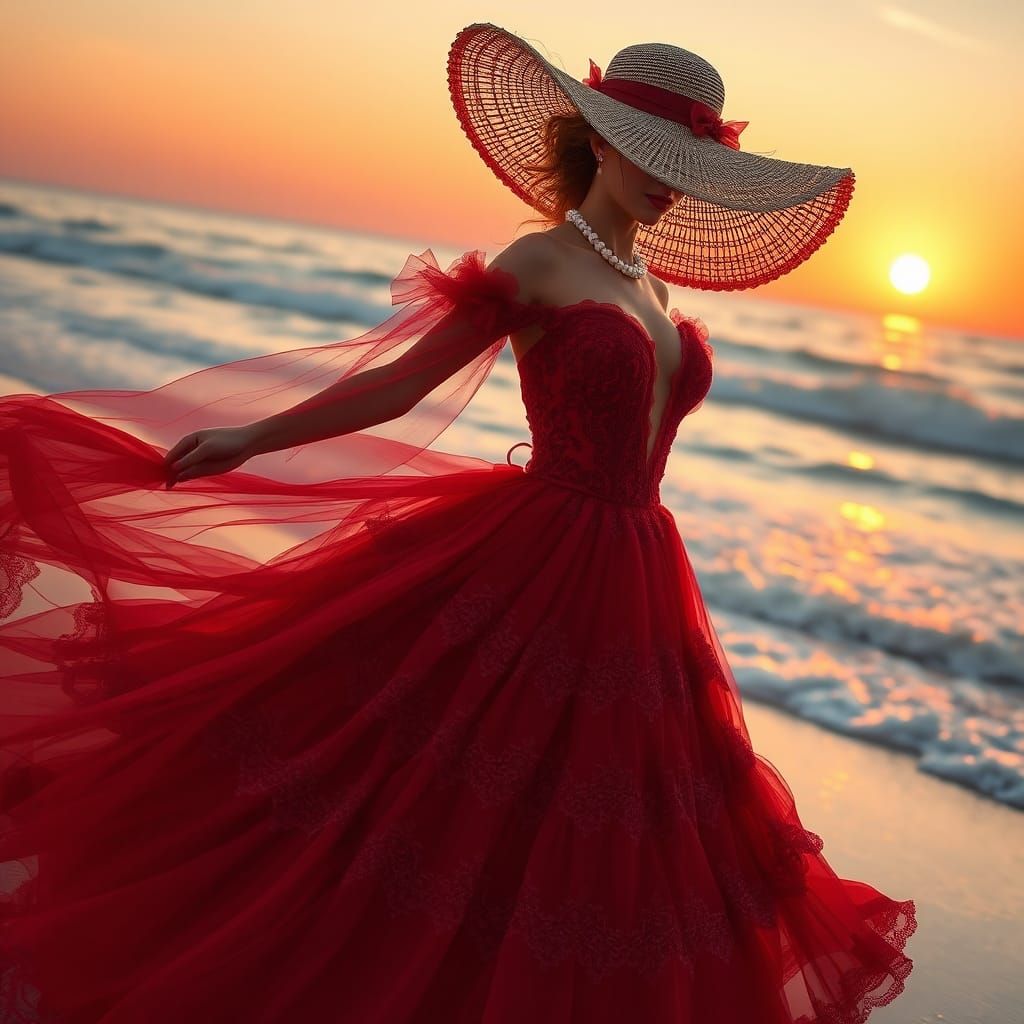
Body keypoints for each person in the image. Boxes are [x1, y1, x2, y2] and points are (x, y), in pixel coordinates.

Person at [0, 21, 915, 1024]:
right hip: (533, 562)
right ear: (599, 142)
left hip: (637, 578)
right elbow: (398, 385)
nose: (670, 180)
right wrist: (252, 435)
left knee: (602, 841)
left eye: (689, 164)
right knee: (422, 800)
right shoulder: (540, 262)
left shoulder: (653, 288)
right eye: (656, 155)